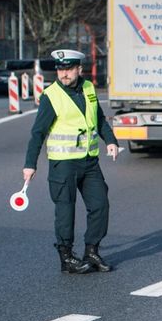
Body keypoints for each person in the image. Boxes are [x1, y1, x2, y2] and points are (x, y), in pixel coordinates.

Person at [23, 48, 119, 274]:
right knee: (66, 210)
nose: (63, 73)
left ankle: (92, 251)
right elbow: (38, 133)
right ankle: (66, 257)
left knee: (100, 205)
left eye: (68, 69)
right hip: (63, 164)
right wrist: (30, 164)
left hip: (89, 161)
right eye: (60, 69)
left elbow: (98, 119)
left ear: (79, 69)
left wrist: (111, 141)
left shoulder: (88, 88)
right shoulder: (51, 95)